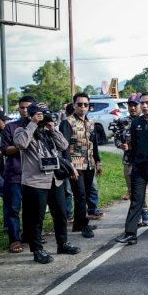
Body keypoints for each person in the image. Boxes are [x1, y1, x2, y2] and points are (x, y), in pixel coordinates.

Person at [14, 103, 81, 264]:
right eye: (39, 114)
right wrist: (33, 124)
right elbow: (21, 144)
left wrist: (52, 129)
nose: (42, 117)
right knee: (35, 218)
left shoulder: (47, 132)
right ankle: (37, 250)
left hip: (54, 180)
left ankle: (62, 243)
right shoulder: (22, 130)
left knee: (61, 213)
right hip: (35, 181)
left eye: (43, 114)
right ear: (31, 115)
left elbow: (64, 145)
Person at [116, 93, 148, 245]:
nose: (144, 106)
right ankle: (130, 233)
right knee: (136, 199)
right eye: (142, 103)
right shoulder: (136, 123)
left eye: (147, 103)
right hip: (139, 167)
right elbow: (133, 146)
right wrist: (133, 164)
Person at [59, 92, 102, 238]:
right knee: (80, 195)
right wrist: (69, 166)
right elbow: (63, 147)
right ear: (74, 105)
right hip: (76, 165)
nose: (83, 107)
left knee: (87, 194)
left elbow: (94, 144)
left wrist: (98, 162)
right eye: (79, 104)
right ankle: (83, 225)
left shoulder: (90, 123)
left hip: (89, 164)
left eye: (86, 104)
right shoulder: (67, 122)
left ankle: (78, 223)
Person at [1, 95, 36, 253]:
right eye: (22, 107)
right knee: (13, 209)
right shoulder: (10, 127)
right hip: (14, 175)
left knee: (32, 209)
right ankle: (14, 240)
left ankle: (30, 236)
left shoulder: (39, 126)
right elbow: (5, 150)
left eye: (28, 107)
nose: (24, 110)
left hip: (34, 176)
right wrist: (21, 144)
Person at [116, 95, 141, 201]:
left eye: (135, 105)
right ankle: (136, 214)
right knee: (131, 189)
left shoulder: (145, 120)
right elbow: (117, 139)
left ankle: (144, 212)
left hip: (143, 160)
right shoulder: (122, 121)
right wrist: (121, 145)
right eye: (130, 105)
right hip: (128, 160)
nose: (132, 108)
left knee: (140, 190)